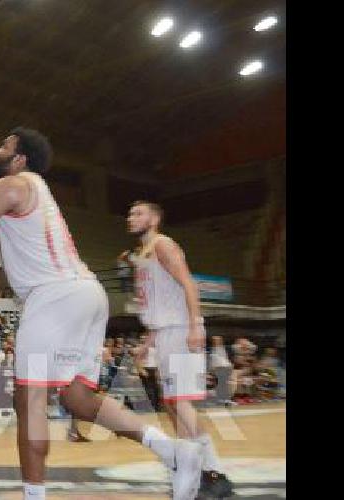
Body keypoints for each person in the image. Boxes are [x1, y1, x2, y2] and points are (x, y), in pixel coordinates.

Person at [0, 130, 204, 500]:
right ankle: (172, 450)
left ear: (20, 158)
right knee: (77, 398)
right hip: (87, 294)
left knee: (30, 401)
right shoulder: (30, 191)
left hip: (53, 297)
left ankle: (34, 496)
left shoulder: (13, 184)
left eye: (5, 146)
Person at [128, 200, 234, 497]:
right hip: (164, 333)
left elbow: (188, 283)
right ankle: (212, 472)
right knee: (174, 405)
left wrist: (195, 326)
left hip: (179, 331)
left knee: (182, 403)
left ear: (155, 218)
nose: (131, 217)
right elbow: (159, 305)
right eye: (130, 213)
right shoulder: (143, 254)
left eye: (138, 213)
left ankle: (190, 483)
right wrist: (146, 343)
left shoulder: (163, 245)